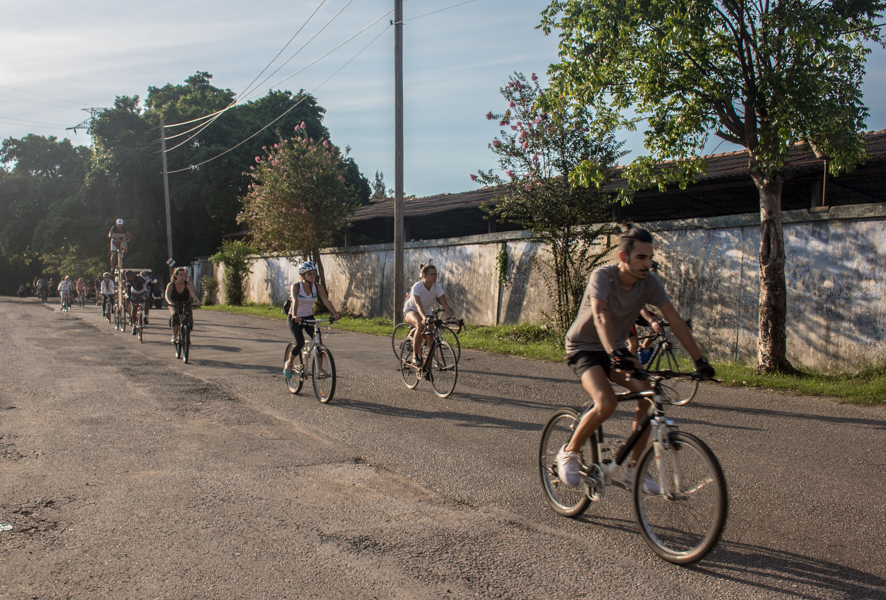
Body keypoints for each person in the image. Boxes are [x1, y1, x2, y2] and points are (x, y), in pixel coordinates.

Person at [556, 224, 714, 493]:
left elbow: (675, 321)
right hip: (585, 347)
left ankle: (634, 468)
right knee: (606, 402)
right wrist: (615, 353)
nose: (647, 263)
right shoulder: (603, 277)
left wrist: (700, 360)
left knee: (649, 395)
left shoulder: (649, 282)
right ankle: (569, 452)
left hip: (616, 348)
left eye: (650, 257)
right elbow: (601, 315)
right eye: (641, 257)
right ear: (623, 257)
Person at [283, 261, 340, 379]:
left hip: (309, 317)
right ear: (302, 275)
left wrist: (335, 313)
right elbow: (295, 301)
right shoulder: (296, 286)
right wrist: (295, 315)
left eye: (314, 273)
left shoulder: (317, 287)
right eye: (309, 274)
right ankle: (289, 363)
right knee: (300, 342)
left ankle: (320, 368)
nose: (312, 276)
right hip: (295, 317)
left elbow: (325, 301)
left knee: (318, 342)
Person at [403, 263, 458, 366]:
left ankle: (428, 362)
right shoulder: (417, 287)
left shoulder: (437, 287)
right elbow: (418, 306)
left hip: (427, 312)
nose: (435, 276)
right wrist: (424, 318)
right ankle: (415, 355)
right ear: (424, 275)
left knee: (431, 334)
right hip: (412, 310)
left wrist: (454, 318)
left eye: (436, 274)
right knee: (420, 324)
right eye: (432, 274)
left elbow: (445, 305)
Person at [165, 267, 201, 344]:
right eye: (180, 275)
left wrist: (198, 301)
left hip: (186, 303)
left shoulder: (188, 284)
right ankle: (174, 336)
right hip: (174, 303)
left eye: (184, 275)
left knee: (189, 319)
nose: (182, 276)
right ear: (176, 276)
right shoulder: (171, 284)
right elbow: (167, 295)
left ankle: (186, 336)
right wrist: (169, 302)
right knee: (175, 315)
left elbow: (192, 293)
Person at [123, 270, 152, 335]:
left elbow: (151, 285)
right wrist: (129, 297)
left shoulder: (140, 278)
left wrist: (150, 296)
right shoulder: (128, 281)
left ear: (133, 275)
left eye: (129, 277)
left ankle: (145, 317)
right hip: (134, 293)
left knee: (147, 300)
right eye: (127, 277)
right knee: (134, 307)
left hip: (143, 292)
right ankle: (134, 325)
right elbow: (128, 289)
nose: (129, 278)